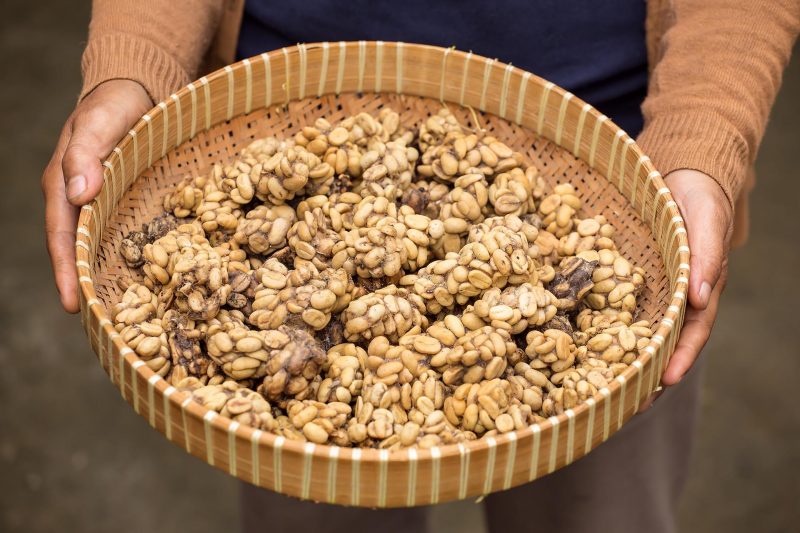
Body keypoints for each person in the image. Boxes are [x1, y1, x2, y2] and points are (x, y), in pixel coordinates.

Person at [40, 1, 799, 532]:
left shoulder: (592, 267)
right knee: (308, 497)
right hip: (280, 117)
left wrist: (703, 142)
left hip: (614, 170)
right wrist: (133, 64)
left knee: (602, 511)